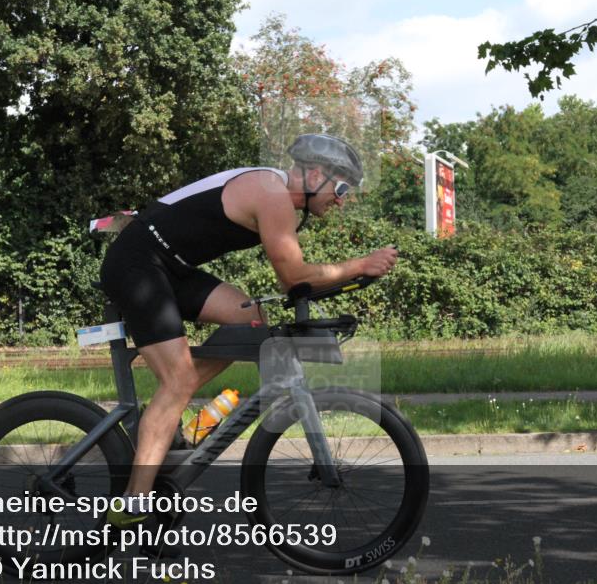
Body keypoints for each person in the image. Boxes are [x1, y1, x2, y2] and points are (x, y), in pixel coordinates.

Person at [98, 134, 399, 526]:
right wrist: (360, 265)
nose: (342, 199)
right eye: (341, 187)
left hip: (169, 266)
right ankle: (133, 505)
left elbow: (297, 282)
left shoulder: (279, 196)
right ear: (313, 174)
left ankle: (168, 417)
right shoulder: (272, 195)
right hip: (136, 262)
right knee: (179, 379)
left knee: (250, 318)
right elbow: (292, 277)